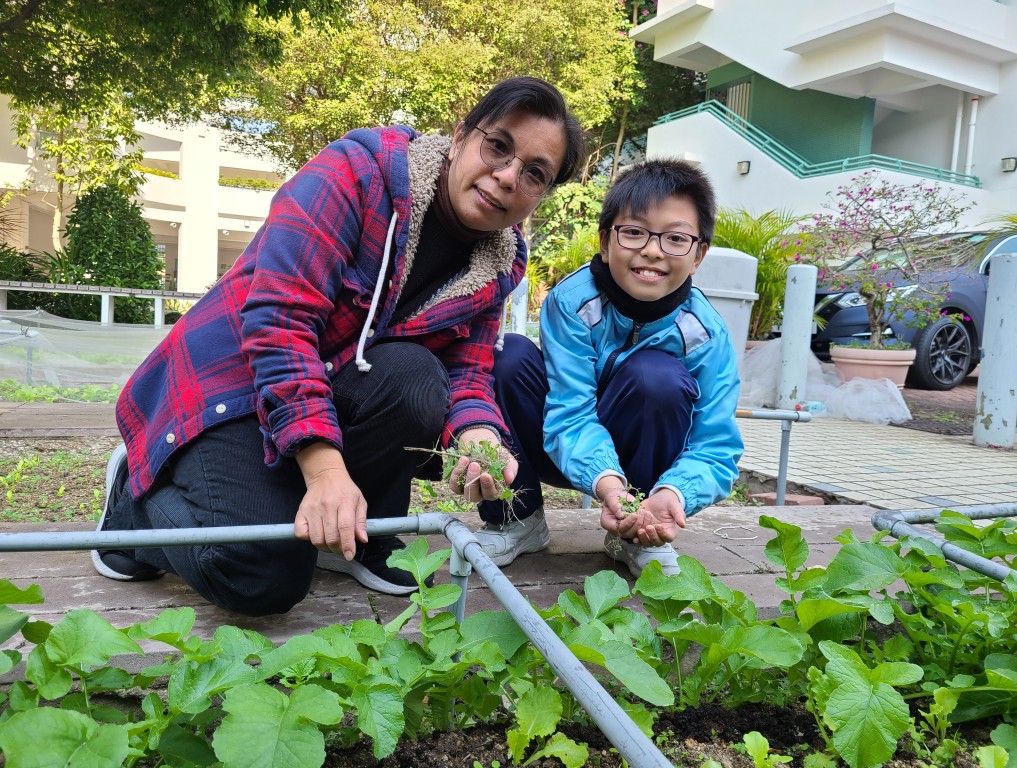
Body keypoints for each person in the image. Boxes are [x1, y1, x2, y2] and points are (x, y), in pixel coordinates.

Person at [91, 76, 587, 615]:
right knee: (262, 574)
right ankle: (132, 509)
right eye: (498, 146)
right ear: (462, 135)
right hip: (231, 385)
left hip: (326, 391)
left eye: (535, 173)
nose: (508, 176)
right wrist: (325, 472)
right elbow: (280, 322)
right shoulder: (356, 173)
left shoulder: (499, 263)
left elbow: (466, 373)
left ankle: (356, 532)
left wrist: (477, 432)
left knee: (419, 376)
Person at [472, 159, 743, 577]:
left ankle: (636, 529)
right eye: (634, 232)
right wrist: (607, 483)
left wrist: (675, 492)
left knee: (658, 377)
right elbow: (571, 410)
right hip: (557, 448)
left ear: (698, 255)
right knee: (509, 357)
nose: (652, 250)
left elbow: (716, 446)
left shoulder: (706, 334)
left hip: (641, 465)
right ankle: (516, 518)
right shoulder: (572, 302)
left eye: (675, 238)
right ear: (605, 241)